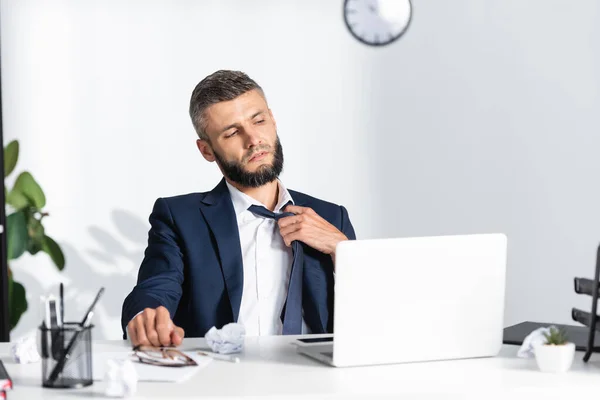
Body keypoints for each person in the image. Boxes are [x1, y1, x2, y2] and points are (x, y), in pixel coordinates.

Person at [121, 70, 356, 347]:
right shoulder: (179, 217)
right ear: (207, 150)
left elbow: (374, 314)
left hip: (315, 382)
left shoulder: (331, 217)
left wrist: (343, 250)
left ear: (273, 120)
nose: (254, 139)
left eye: (259, 120)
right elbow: (156, 287)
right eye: (232, 132)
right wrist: (146, 316)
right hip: (221, 381)